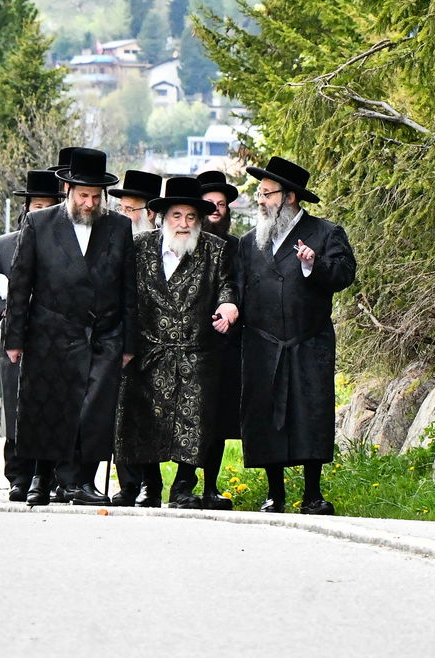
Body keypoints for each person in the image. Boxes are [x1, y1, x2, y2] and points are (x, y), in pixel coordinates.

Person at [5, 145, 135, 507]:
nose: (90, 203)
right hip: (50, 331)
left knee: (94, 410)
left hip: (102, 334)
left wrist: (128, 343)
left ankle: (82, 481)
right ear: (68, 191)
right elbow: (20, 284)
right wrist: (14, 338)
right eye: (83, 195)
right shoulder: (40, 223)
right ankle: (42, 478)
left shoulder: (118, 227)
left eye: (96, 196)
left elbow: (129, 289)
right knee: (49, 407)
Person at [235, 156, 356, 514]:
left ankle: (313, 494)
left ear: (289, 197)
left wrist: (313, 263)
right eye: (259, 193)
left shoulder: (325, 232)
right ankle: (275, 494)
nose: (260, 200)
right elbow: (235, 286)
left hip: (309, 340)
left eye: (267, 193)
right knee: (265, 413)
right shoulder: (248, 242)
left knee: (311, 413)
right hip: (261, 342)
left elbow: (345, 274)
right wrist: (228, 307)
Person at [115, 176, 237, 510]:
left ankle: (184, 487)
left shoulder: (215, 250)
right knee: (142, 420)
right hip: (147, 352)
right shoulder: (138, 248)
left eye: (191, 217)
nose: (183, 224)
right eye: (177, 216)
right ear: (162, 216)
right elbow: (123, 296)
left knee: (194, 422)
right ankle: (149, 486)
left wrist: (229, 305)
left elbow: (227, 286)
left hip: (196, 354)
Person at [0, 167, 61, 500]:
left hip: (54, 340)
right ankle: (18, 476)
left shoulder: (64, 247)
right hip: (17, 340)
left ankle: (47, 475)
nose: (40, 212)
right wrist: (4, 310)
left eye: (47, 205)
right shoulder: (5, 245)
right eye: (35, 206)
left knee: (52, 406)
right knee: (16, 407)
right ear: (26, 209)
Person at [107, 167, 162, 503]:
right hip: (122, 339)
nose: (125, 216)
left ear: (151, 213)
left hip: (158, 341)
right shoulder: (115, 242)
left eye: (132, 210)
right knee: (123, 415)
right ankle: (128, 484)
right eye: (122, 209)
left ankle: (150, 484)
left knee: (150, 416)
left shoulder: (164, 243)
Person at [193, 168, 242, 508]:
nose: (214, 210)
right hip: (187, 343)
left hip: (225, 348)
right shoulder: (183, 243)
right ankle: (165, 487)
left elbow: (244, 291)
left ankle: (209, 487)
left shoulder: (238, 247)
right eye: (208, 203)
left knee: (216, 421)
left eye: (221, 204)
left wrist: (233, 312)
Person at [110, 167, 162, 239]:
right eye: (120, 208)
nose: (121, 215)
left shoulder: (164, 245)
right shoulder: (109, 240)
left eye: (128, 209)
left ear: (150, 213)